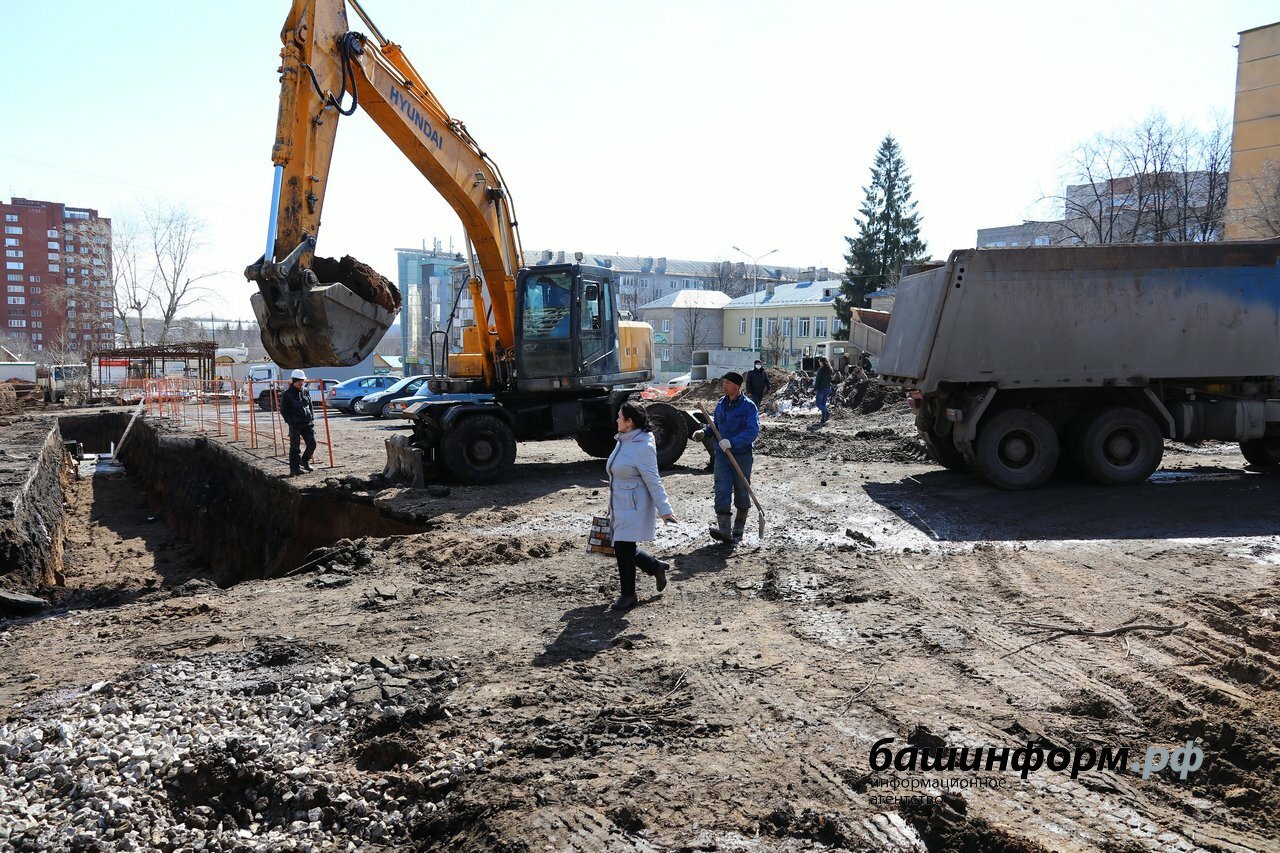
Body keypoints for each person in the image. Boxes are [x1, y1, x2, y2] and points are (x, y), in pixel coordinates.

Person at [605, 401, 677, 610]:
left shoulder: (642, 446)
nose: (616, 419)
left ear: (629, 422)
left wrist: (665, 511)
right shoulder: (624, 440)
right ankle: (655, 567)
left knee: (622, 547)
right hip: (621, 503)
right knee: (624, 547)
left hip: (634, 505)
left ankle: (628, 595)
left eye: (620, 416)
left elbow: (653, 479)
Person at [692, 371, 759, 542]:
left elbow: (752, 431)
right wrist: (704, 432)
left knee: (741, 490)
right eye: (724, 382)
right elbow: (716, 426)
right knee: (721, 489)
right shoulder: (721, 404)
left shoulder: (748, 406)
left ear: (737, 386)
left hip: (741, 455)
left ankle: (738, 527)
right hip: (722, 455)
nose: (724, 386)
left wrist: (733, 442)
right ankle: (724, 529)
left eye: (727, 383)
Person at [280, 368, 316, 476]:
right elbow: (283, 410)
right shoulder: (287, 394)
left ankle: (304, 461)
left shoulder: (305, 391)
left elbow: (310, 405)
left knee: (312, 444)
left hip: (307, 423)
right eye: (299, 380)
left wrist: (311, 417)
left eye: (302, 380)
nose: (301, 382)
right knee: (295, 447)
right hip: (295, 424)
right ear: (294, 380)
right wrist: (290, 421)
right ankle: (294, 469)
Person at [813, 356, 833, 427]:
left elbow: (818, 380)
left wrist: (815, 389)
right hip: (828, 388)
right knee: (823, 404)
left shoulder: (820, 370)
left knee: (818, 404)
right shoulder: (830, 369)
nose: (819, 364)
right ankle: (823, 419)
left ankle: (827, 412)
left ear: (822, 362)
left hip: (821, 389)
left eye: (819, 362)